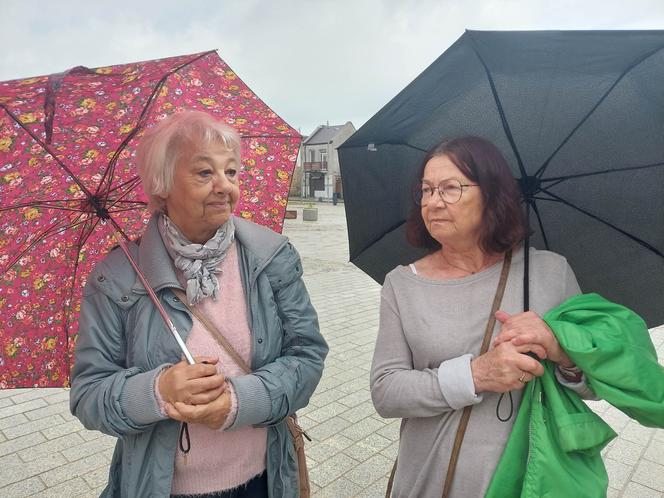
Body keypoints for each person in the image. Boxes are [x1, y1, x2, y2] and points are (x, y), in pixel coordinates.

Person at [70, 110, 328, 498]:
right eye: (205, 173)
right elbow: (88, 394)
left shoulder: (271, 257)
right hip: (161, 487)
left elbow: (307, 356)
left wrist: (241, 401)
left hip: (264, 481)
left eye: (232, 172)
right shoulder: (119, 277)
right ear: (162, 185)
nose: (225, 186)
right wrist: (158, 391)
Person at [370, 136, 594, 498]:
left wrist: (561, 351)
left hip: (530, 480)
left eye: (450, 188)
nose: (433, 202)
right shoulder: (402, 284)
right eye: (426, 190)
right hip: (429, 479)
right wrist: (476, 375)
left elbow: (594, 384)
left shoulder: (549, 273)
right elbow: (386, 392)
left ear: (491, 194)